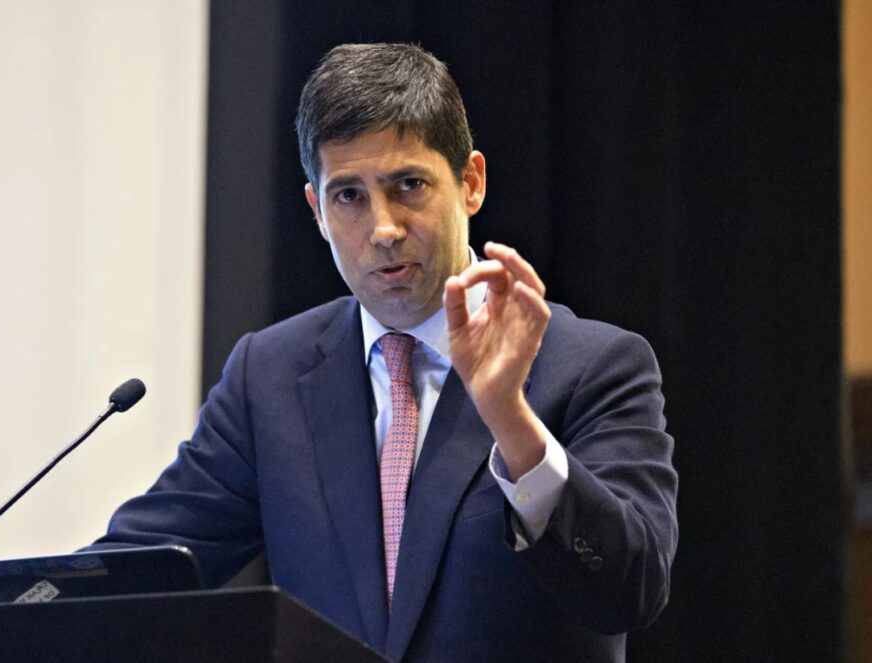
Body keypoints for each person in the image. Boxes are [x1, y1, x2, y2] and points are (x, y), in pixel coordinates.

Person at [89, 43, 678, 662]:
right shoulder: (270, 374)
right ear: (316, 210)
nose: (384, 228)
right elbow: (141, 572)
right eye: (349, 195)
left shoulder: (593, 366)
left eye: (408, 185)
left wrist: (511, 421)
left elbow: (628, 593)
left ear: (470, 183)